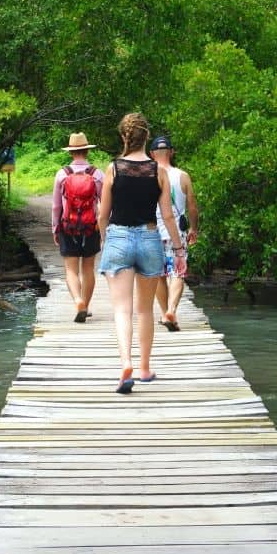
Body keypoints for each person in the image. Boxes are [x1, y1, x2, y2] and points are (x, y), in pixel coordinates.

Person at [97, 113, 186, 394]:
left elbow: (103, 215)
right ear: (146, 137)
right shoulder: (158, 172)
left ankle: (126, 364)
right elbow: (169, 217)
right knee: (145, 310)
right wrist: (179, 249)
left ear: (124, 137)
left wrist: (104, 242)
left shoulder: (114, 169)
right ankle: (145, 368)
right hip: (149, 237)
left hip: (119, 237)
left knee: (123, 309)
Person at [51, 132, 104, 323]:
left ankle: (78, 300)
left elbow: (56, 205)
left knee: (71, 270)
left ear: (71, 152)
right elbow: (105, 204)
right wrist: (103, 229)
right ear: (86, 151)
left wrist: (55, 228)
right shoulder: (97, 174)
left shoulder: (62, 174)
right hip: (91, 227)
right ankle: (86, 306)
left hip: (68, 227)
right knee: (88, 268)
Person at [149, 135, 198, 332]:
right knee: (177, 272)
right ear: (172, 152)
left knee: (160, 275)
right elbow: (192, 206)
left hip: (152, 232)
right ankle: (171, 310)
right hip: (176, 232)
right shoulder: (183, 176)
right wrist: (194, 228)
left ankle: (163, 313)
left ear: (152, 154)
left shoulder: (148, 175)